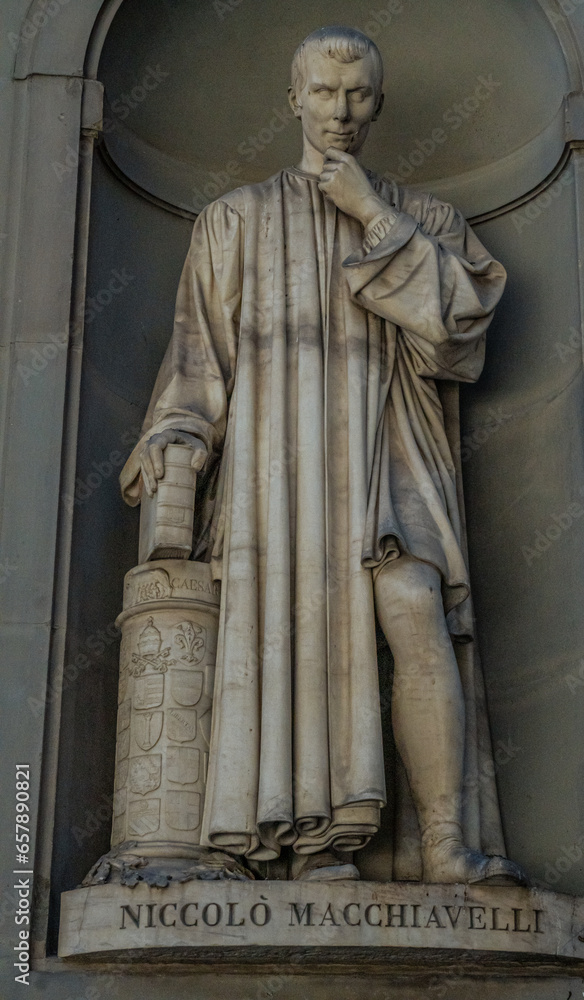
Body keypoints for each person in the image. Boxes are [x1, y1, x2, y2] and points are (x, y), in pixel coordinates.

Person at [120, 25, 526, 885]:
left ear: (377, 104)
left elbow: (458, 334)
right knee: (295, 635)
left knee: (417, 606)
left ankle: (447, 845)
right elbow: (199, 362)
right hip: (279, 472)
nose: (340, 112)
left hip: (392, 453)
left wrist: (370, 215)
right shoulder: (234, 219)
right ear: (293, 99)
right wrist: (177, 442)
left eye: (358, 96)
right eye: (324, 94)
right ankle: (313, 844)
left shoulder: (425, 218)